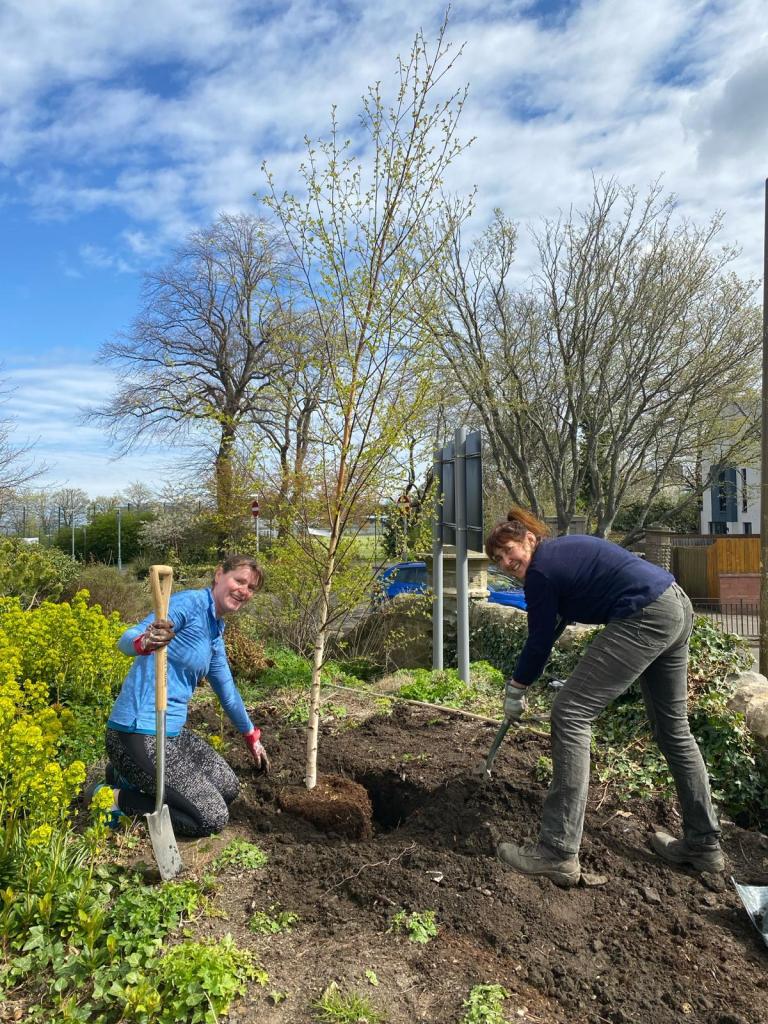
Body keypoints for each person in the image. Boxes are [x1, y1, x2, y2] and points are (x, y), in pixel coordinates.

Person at [486, 508, 724, 887]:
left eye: (509, 550)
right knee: (673, 730)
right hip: (675, 605)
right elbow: (555, 624)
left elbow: (538, 639)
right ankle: (704, 844)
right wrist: (525, 679)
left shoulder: (541, 572)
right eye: (498, 560)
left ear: (529, 538)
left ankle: (557, 852)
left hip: (644, 614)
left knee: (571, 713)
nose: (506, 562)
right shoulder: (560, 553)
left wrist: (516, 688)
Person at [89, 554, 269, 837]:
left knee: (228, 788)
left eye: (251, 588)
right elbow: (128, 638)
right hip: (137, 733)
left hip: (169, 735)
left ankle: (124, 775)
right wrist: (145, 641)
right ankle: (110, 797)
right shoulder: (190, 604)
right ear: (219, 574)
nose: (244, 591)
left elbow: (228, 692)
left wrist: (251, 736)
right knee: (211, 817)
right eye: (239, 580)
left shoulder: (215, 630)